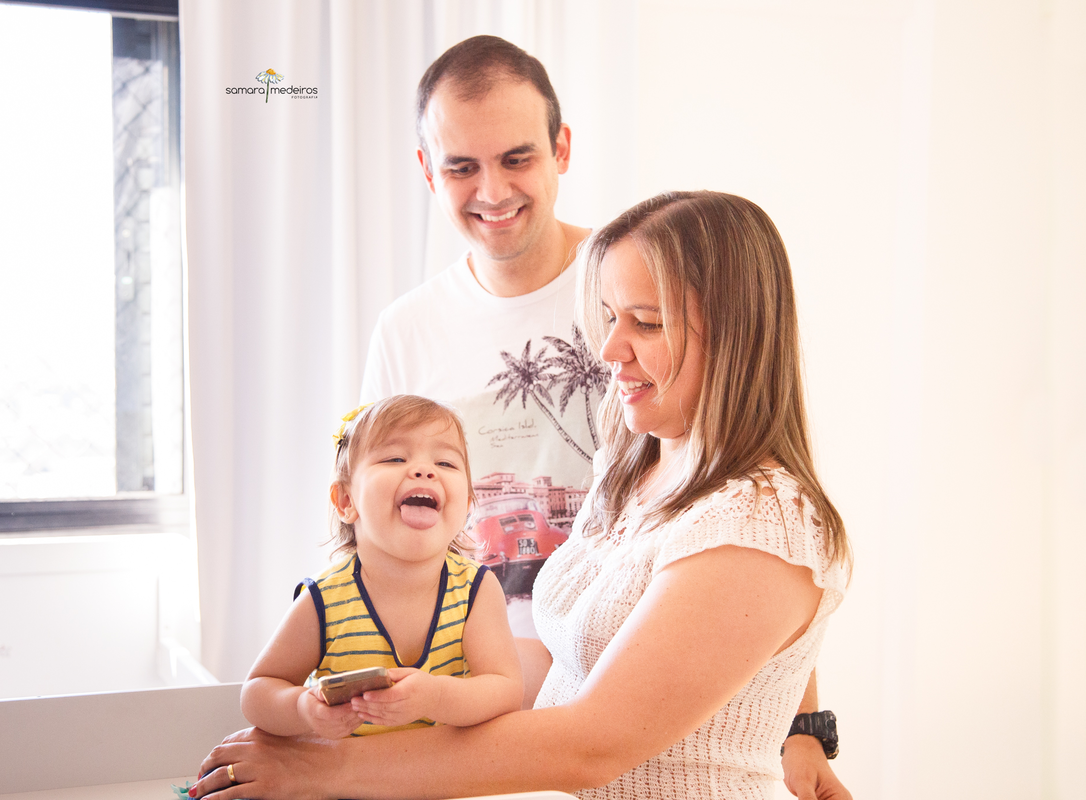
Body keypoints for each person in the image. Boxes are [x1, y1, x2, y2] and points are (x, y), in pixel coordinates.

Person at [189, 191, 851, 800]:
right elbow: (566, 669)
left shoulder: (761, 523)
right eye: (610, 317)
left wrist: (322, 770)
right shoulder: (635, 457)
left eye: (646, 323)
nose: (610, 349)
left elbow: (593, 745)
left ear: (738, 334)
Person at [360, 35, 850, 797]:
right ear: (429, 170)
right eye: (462, 166)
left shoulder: (631, 268)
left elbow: (747, 569)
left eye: (516, 158)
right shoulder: (413, 331)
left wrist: (801, 724)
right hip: (493, 693)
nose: (491, 190)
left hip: (598, 726)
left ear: (560, 149)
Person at [238, 395, 523, 741]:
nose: (424, 470)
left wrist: (435, 697)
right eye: (395, 458)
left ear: (465, 506)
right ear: (346, 502)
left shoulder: (475, 589)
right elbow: (257, 692)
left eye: (446, 463)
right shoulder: (324, 601)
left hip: (443, 774)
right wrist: (303, 709)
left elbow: (506, 689)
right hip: (349, 775)